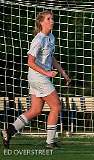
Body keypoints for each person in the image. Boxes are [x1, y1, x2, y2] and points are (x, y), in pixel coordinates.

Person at [1, 10, 71, 149]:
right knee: (56, 105)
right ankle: (50, 142)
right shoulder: (38, 40)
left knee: (35, 110)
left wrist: (63, 72)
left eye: (52, 18)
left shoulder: (51, 37)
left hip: (41, 77)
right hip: (38, 77)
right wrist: (47, 73)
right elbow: (30, 62)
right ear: (41, 22)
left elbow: (51, 58)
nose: (52, 21)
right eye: (49, 19)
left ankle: (9, 131)